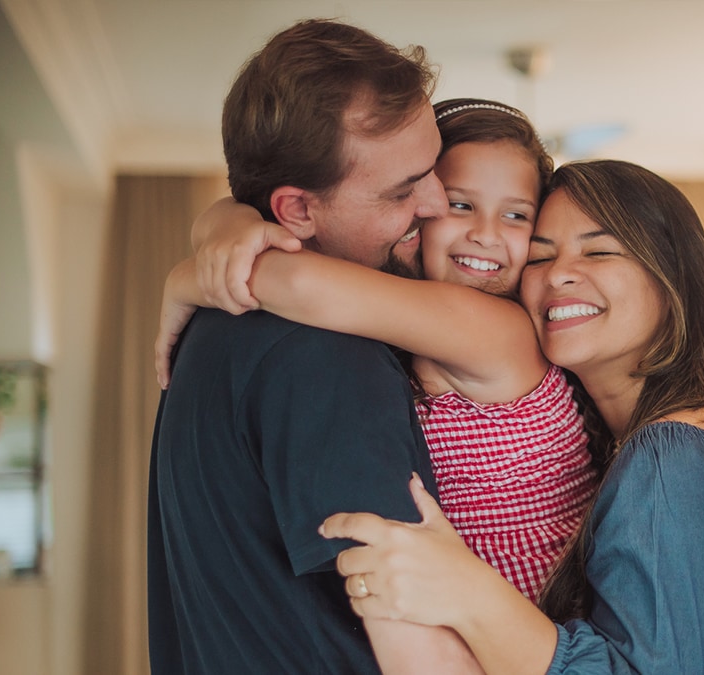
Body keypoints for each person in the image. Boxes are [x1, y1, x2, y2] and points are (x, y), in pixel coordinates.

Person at [320, 160, 704, 673]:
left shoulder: (678, 454)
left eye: (599, 252)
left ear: (671, 274)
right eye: (540, 256)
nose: (559, 275)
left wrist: (465, 588)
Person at [155, 99, 599, 602]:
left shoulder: (501, 331)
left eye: (516, 215)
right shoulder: (407, 329)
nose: (486, 234)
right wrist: (224, 221)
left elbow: (301, 283)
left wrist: (187, 277)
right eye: (460, 204)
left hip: (537, 632)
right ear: (420, 207)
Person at [147, 19, 481, 674]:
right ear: (296, 209)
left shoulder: (211, 329)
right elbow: (422, 651)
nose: (439, 204)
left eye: (432, 169)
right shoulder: (328, 356)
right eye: (402, 189)